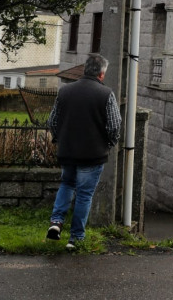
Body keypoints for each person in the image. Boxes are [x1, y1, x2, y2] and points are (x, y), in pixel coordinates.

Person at [46, 54, 121, 249]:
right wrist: (109, 144)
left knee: (67, 184)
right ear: (102, 74)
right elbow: (114, 125)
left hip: (68, 151)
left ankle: (56, 223)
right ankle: (76, 238)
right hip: (93, 154)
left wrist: (59, 139)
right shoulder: (106, 94)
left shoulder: (65, 91)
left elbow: (52, 121)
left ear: (84, 70)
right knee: (84, 195)